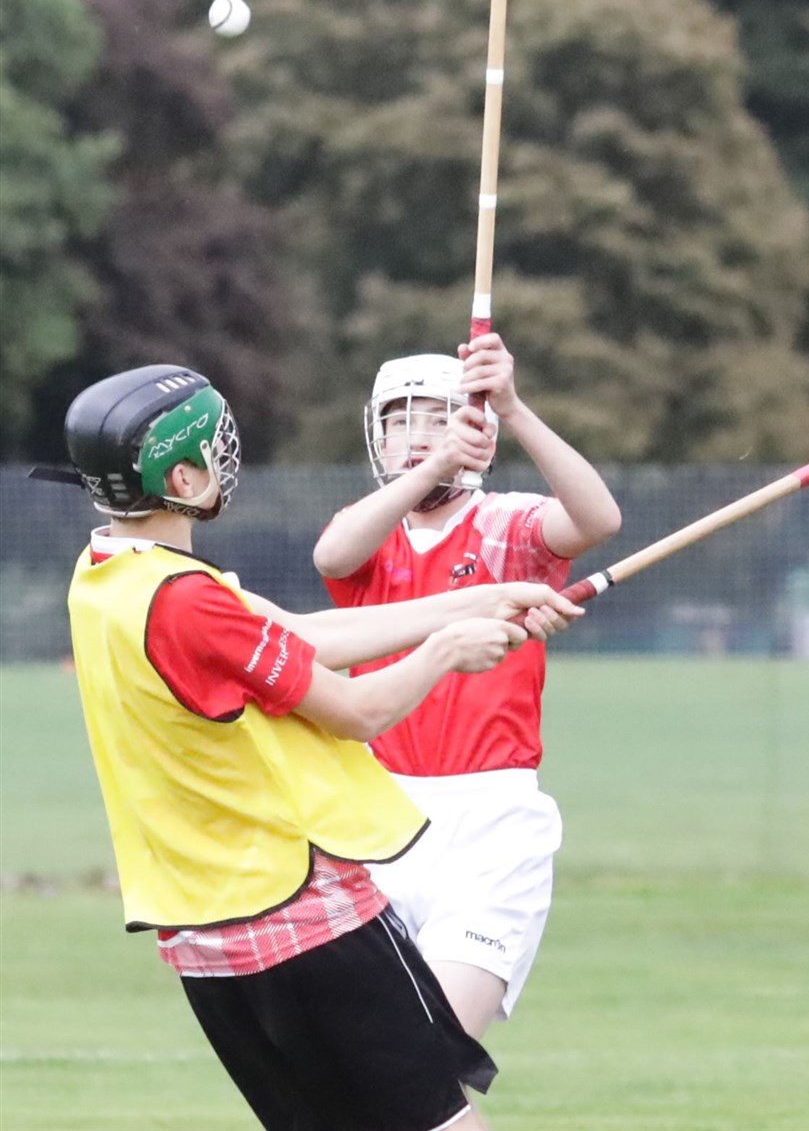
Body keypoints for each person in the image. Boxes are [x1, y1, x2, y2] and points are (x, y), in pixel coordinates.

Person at [45, 362, 581, 1131]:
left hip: (202, 935)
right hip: (301, 913)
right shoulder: (189, 600)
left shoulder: (107, 579)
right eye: (218, 448)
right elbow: (358, 710)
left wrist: (487, 597)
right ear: (185, 477)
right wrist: (446, 650)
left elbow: (300, 636)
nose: (232, 460)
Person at [313, 333, 621, 1038]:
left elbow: (598, 520)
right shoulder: (366, 532)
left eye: (437, 418)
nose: (416, 437)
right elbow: (331, 554)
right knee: (362, 1067)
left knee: (429, 1056)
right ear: (378, 438)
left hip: (489, 819)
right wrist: (433, 469)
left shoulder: (505, 526)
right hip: (375, 816)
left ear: (474, 430)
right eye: (400, 421)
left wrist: (513, 407)